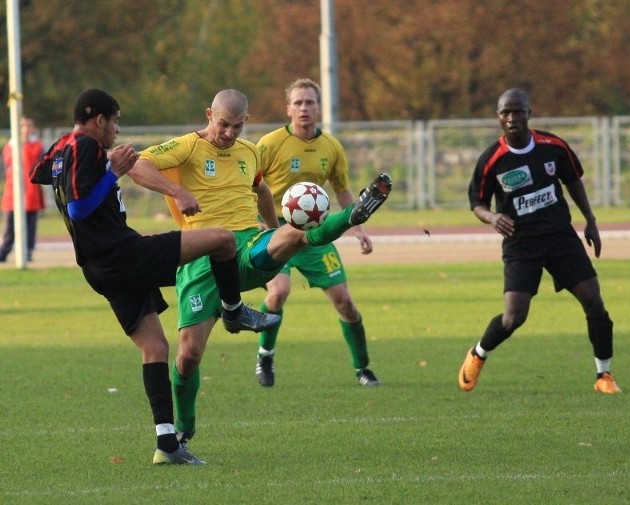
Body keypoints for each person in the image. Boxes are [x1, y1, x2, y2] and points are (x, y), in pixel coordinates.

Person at [128, 88, 392, 451]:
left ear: (245, 122)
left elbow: (263, 191)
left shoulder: (250, 152)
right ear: (209, 115)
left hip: (246, 246)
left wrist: (270, 228)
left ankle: (353, 214)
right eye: (223, 125)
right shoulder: (187, 147)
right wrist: (178, 191)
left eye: (237, 126)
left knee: (297, 233)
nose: (229, 133)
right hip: (199, 255)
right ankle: (184, 428)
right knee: (188, 357)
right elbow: (137, 166)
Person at [29, 88, 281, 466]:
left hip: (97, 268)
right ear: (99, 120)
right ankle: (232, 309)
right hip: (122, 253)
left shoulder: (61, 146)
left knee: (156, 349)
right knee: (222, 240)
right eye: (114, 122)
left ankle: (167, 443)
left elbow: (40, 175)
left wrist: (95, 171)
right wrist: (112, 171)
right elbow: (80, 209)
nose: (116, 130)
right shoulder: (86, 146)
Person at [459, 87, 621, 394]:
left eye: (517, 111)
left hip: (560, 238)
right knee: (513, 317)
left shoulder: (552, 146)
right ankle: (478, 353)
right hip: (521, 245)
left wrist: (590, 220)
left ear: (529, 113)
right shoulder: (491, 160)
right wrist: (492, 217)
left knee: (594, 302)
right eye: (505, 112)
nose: (511, 117)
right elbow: (477, 203)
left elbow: (573, 181)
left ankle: (604, 376)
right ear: (498, 117)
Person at [254, 78, 380, 388]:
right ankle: (265, 355)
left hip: (315, 235)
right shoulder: (269, 144)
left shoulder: (331, 147)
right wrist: (256, 221)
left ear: (319, 107)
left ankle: (362, 368)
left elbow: (343, 190)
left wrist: (358, 227)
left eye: (309, 102)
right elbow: (249, 186)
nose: (304, 108)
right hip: (277, 230)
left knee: (345, 302)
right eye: (297, 103)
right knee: (279, 292)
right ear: (288, 109)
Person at [1, 116, 46, 262]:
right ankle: (4, 250)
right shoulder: (10, 146)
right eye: (22, 126)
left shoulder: (37, 146)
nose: (25, 129)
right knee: (9, 226)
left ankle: (28, 251)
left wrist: (25, 145)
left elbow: (36, 164)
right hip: (12, 192)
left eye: (28, 126)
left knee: (30, 225)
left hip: (31, 192)